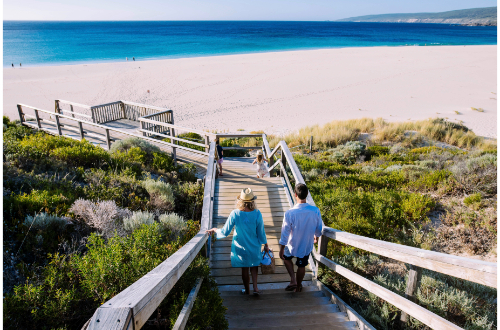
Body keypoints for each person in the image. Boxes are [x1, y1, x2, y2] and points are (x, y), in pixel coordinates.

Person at [206, 188, 269, 295]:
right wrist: (265, 244)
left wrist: (215, 230)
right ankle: (255, 288)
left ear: (240, 200)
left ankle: (247, 291)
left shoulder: (235, 213)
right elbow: (261, 233)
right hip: (254, 246)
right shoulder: (257, 214)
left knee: (245, 268)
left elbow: (225, 232)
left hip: (242, 247)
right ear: (252, 201)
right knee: (254, 266)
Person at [279, 183, 323, 292]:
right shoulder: (315, 210)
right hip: (306, 244)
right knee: (301, 265)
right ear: (307, 194)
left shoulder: (290, 213)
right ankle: (298, 286)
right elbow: (319, 228)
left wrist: (281, 248)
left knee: (285, 258)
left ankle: (293, 279)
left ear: (295, 195)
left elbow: (285, 232)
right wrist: (316, 236)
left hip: (291, 244)